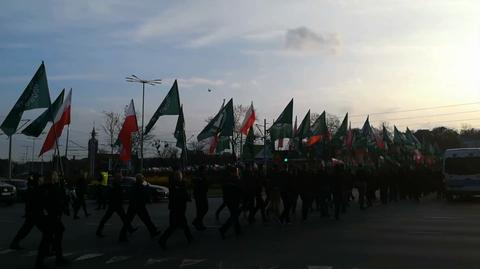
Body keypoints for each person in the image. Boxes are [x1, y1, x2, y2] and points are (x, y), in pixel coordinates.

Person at [35, 171, 69, 269]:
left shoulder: (53, 187)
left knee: (56, 235)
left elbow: (60, 200)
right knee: (46, 239)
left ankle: (58, 257)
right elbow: (53, 202)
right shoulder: (49, 188)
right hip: (50, 217)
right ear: (52, 178)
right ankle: (40, 262)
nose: (57, 177)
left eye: (56, 175)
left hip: (53, 217)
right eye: (55, 175)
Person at [158, 167, 193, 249]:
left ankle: (190, 238)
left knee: (181, 224)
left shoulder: (174, 185)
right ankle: (162, 240)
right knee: (176, 225)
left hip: (175, 207)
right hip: (178, 208)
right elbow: (181, 196)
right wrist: (187, 197)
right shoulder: (178, 186)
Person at [96, 172, 137, 241]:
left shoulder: (114, 185)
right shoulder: (116, 185)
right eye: (121, 177)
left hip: (114, 204)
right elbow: (117, 195)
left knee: (118, 218)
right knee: (123, 218)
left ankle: (130, 229)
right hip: (116, 204)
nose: (122, 178)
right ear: (118, 178)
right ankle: (130, 229)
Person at [119, 174, 160, 240]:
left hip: (133, 206)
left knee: (129, 221)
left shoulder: (134, 186)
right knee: (147, 219)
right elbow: (145, 195)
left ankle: (122, 235)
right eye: (142, 179)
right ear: (141, 180)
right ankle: (153, 231)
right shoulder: (141, 187)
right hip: (140, 206)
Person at [10, 173, 43, 250]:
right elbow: (33, 202)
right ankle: (48, 249)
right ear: (37, 180)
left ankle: (14, 243)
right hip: (35, 214)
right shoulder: (35, 189)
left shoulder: (34, 188)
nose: (42, 180)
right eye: (41, 178)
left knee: (25, 229)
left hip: (33, 214)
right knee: (47, 231)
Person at [219, 166, 244, 239]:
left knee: (234, 214)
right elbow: (240, 189)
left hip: (228, 200)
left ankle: (237, 230)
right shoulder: (235, 179)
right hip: (234, 200)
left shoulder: (225, 179)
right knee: (234, 216)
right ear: (233, 172)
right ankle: (223, 229)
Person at [192, 166, 209, 231]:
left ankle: (199, 223)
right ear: (203, 170)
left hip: (200, 194)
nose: (206, 171)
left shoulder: (199, 175)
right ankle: (197, 222)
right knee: (204, 208)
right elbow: (202, 183)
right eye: (205, 169)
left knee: (200, 210)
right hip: (200, 194)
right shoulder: (200, 176)